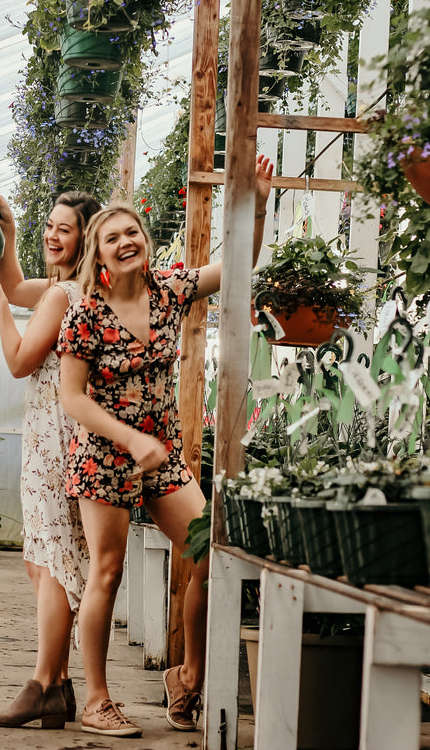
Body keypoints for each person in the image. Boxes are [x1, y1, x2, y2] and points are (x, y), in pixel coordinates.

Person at [58, 154, 274, 737]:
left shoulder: (167, 290)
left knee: (209, 551)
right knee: (106, 572)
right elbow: (73, 399)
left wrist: (254, 203)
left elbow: (234, 268)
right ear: (97, 254)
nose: (125, 241)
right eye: (112, 237)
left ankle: (189, 676)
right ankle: (98, 700)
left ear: (144, 242)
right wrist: (131, 439)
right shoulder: (84, 316)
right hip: (104, 458)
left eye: (132, 232)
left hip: (162, 457)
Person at [0, 189, 101, 730]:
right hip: (57, 434)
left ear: (84, 238)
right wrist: (11, 235)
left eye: (63, 228)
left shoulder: (66, 294)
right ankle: (59, 684)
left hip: (56, 440)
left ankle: (44, 684)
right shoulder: (77, 287)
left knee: (51, 564)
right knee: (46, 560)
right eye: (49, 225)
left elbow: (19, 361)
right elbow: (20, 285)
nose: (53, 235)